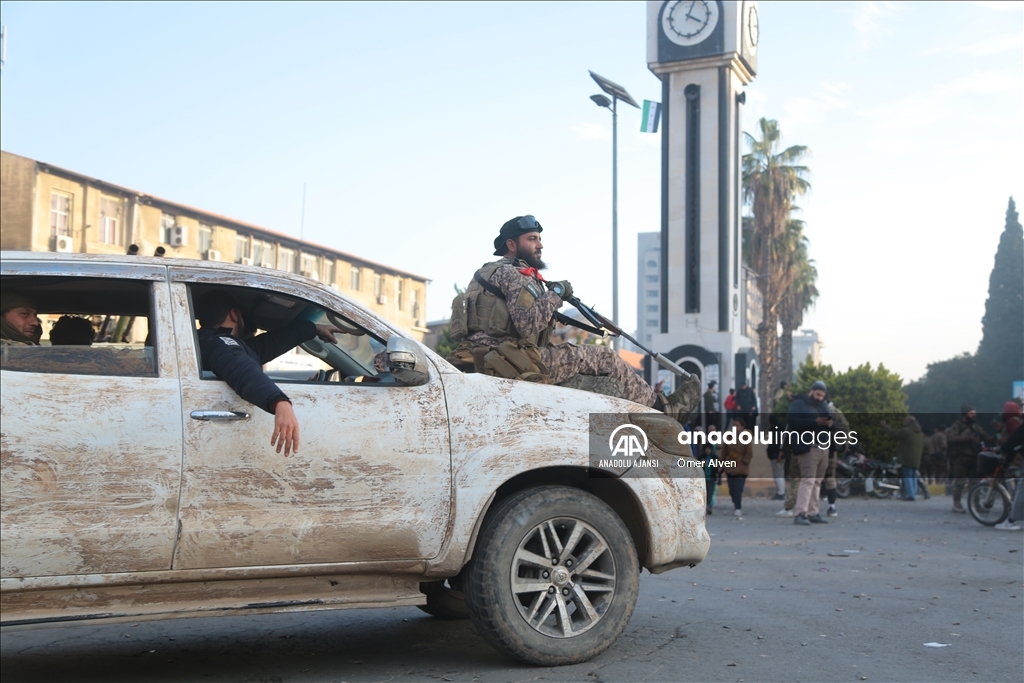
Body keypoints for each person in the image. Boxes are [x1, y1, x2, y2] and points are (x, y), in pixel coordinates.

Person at [448, 215, 701, 417]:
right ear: (512, 245)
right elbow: (528, 325)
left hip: (481, 356)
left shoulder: (485, 273)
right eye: (532, 239)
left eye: (539, 239)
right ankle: (665, 409)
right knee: (605, 357)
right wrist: (557, 292)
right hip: (509, 362)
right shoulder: (515, 274)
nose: (540, 245)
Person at [196, 291, 343, 457]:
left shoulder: (208, 342)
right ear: (234, 314)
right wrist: (279, 402)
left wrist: (313, 328)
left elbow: (268, 344)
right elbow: (241, 368)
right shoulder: (220, 344)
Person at [787, 381, 833, 525]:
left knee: (817, 481)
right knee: (808, 480)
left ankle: (813, 512)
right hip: (808, 447)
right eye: (818, 394)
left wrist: (831, 424)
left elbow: (834, 422)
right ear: (811, 391)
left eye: (822, 396)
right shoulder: (798, 404)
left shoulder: (824, 406)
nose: (820, 398)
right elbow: (793, 422)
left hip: (823, 446)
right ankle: (801, 513)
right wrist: (815, 422)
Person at [948, 405, 991, 513]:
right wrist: (967, 438)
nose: (973, 415)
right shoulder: (957, 425)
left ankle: (976, 505)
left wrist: (995, 439)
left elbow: (985, 436)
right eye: (971, 413)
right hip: (960, 457)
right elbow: (951, 438)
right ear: (965, 414)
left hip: (974, 457)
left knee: (975, 483)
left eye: (974, 413)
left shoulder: (975, 427)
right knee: (960, 482)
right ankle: (956, 504)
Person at [880, 415, 925, 501]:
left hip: (907, 457)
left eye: (905, 420)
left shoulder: (907, 431)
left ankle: (910, 495)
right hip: (916, 458)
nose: (903, 421)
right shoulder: (919, 433)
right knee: (913, 476)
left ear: (909, 422)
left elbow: (894, 433)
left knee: (907, 476)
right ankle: (913, 493)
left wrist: (885, 427)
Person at [722, 417, 754, 518]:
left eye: (737, 426)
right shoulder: (728, 436)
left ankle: (738, 507)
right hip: (730, 466)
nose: (735, 428)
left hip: (741, 467)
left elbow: (749, 452)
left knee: (738, 488)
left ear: (742, 426)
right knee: (731, 488)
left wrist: (745, 461)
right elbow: (724, 451)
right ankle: (735, 503)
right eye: (734, 426)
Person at [765, 413, 786, 500]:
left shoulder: (773, 430)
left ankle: (781, 492)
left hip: (775, 455)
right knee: (781, 473)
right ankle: (781, 491)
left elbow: (773, 444)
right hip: (782, 454)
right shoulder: (782, 429)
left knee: (778, 474)